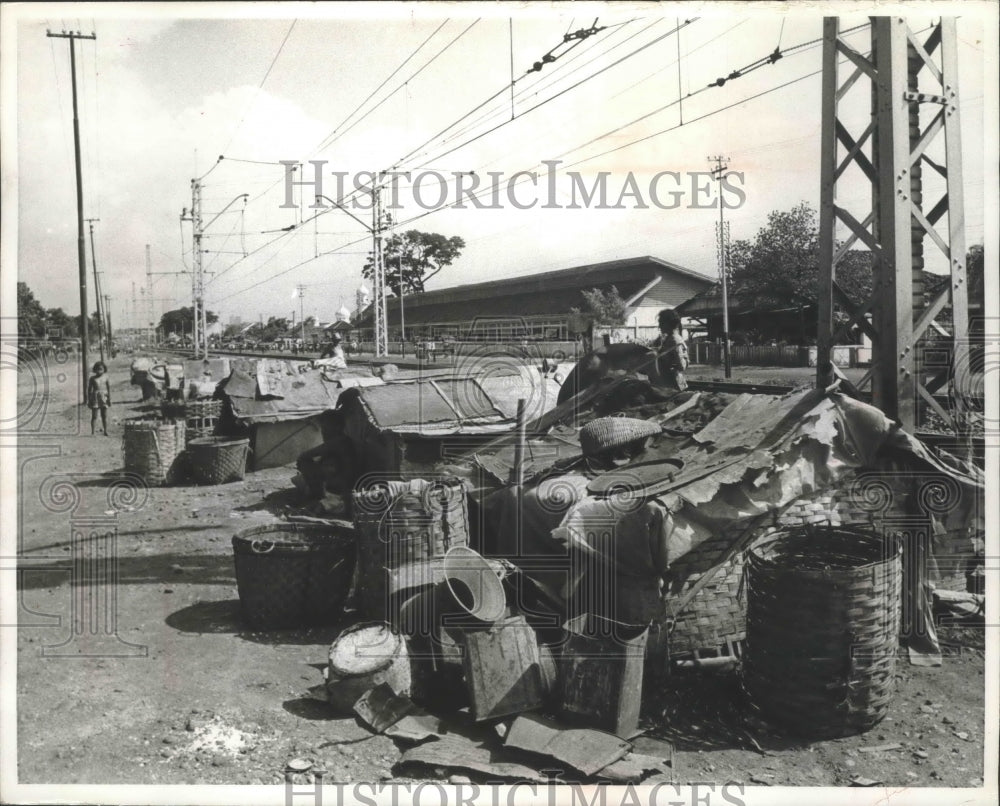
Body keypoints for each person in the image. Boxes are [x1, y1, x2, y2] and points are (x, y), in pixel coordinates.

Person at [653, 309, 689, 391]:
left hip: (673, 385)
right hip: (668, 383)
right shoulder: (669, 339)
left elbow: (681, 366)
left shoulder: (674, 340)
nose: (659, 326)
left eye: (661, 323)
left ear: (668, 324)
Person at [87, 361, 112, 436]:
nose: (99, 371)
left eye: (101, 369)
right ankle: (93, 432)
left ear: (104, 369)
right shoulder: (92, 378)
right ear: (95, 370)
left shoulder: (106, 377)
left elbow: (108, 388)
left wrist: (109, 398)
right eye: (98, 369)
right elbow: (89, 390)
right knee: (94, 415)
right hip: (95, 397)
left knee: (104, 415)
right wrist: (89, 400)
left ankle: (105, 431)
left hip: (104, 397)